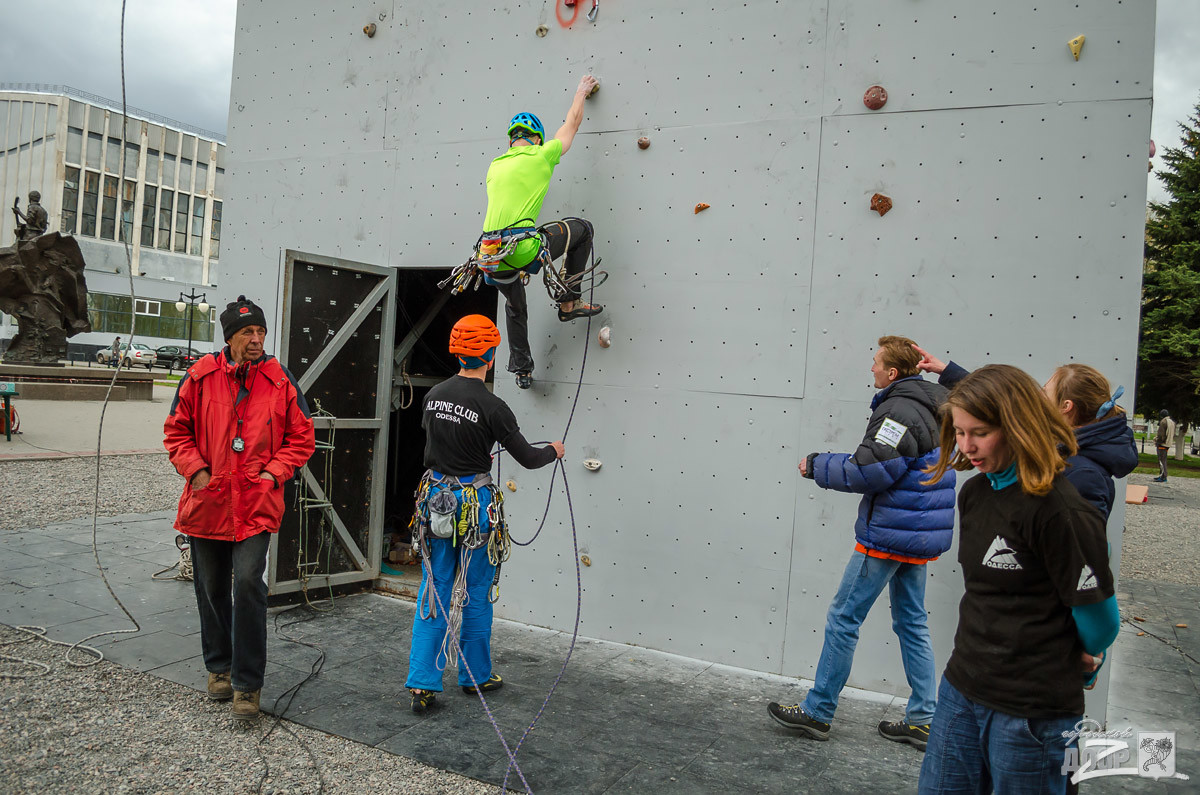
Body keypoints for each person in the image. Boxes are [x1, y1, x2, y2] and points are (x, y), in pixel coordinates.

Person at [917, 365, 1119, 795]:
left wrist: (1084, 660)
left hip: (1033, 710)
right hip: (961, 689)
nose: (967, 446)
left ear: (1018, 427)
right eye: (960, 431)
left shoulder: (1062, 511)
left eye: (981, 433)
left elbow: (1101, 621)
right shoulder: (974, 493)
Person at [768, 336, 956, 749]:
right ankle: (924, 718)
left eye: (876, 363)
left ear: (892, 373)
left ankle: (818, 711)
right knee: (912, 622)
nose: (871, 368)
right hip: (919, 533)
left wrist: (816, 465)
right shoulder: (938, 403)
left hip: (889, 534)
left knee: (843, 617)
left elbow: (873, 470)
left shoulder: (898, 410)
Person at [163, 295, 315, 721]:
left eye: (261, 331)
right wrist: (196, 472)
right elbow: (176, 432)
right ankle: (219, 668)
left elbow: (301, 438)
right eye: (247, 332)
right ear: (229, 337)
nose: (256, 339)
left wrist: (273, 473)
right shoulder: (199, 376)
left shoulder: (279, 378)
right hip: (208, 501)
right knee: (210, 588)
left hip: (255, 502)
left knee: (248, 583)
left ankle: (248, 684)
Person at [406, 314, 563, 713]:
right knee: (475, 593)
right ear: (491, 355)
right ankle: (475, 677)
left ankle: (423, 683)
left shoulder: (434, 395)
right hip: (474, 508)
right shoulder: (495, 407)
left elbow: (439, 439)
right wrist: (554, 452)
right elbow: (527, 458)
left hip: (435, 502)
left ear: (456, 350)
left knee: (435, 588)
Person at [481, 74, 604, 390]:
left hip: (489, 256)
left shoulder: (495, 166)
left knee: (514, 305)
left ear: (511, 141)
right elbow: (571, 125)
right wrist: (581, 92)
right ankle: (569, 302)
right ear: (536, 139)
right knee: (583, 229)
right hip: (522, 247)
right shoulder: (541, 155)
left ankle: (522, 370)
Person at [915, 349, 1137, 519]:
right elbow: (1000, 397)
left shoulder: (1083, 474)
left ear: (1065, 406)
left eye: (1044, 392)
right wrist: (946, 371)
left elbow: (1081, 560)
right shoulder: (1059, 445)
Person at [1154, 408, 1176, 482]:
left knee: (1162, 461)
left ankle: (1163, 476)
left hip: (1162, 444)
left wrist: (1157, 441)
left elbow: (1161, 435)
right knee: (1164, 460)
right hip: (1168, 443)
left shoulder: (1163, 422)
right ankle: (1162, 475)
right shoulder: (1171, 422)